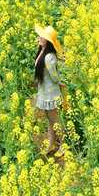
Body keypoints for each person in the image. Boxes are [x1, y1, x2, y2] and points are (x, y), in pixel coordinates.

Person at [32, 24, 67, 164]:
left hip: (51, 93)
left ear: (48, 41)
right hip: (44, 91)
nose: (39, 38)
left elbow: (54, 77)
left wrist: (60, 83)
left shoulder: (49, 57)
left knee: (55, 120)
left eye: (42, 37)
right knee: (49, 120)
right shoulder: (42, 51)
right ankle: (51, 143)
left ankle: (63, 145)